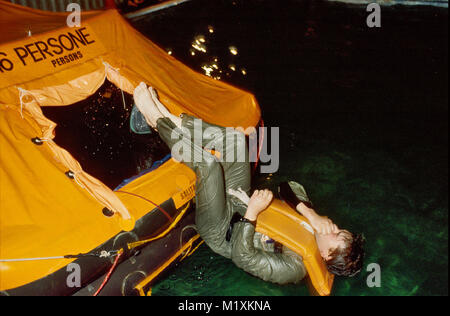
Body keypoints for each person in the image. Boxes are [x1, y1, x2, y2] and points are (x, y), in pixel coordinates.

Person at [132, 83, 364, 284]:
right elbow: (288, 187)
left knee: (209, 166)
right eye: (340, 229)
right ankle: (173, 120)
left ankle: (157, 120)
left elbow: (242, 257)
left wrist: (251, 214)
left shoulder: (293, 269)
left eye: (337, 235)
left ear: (326, 254)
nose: (333, 226)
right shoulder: (314, 225)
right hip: (240, 201)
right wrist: (311, 214)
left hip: (221, 229)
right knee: (235, 141)